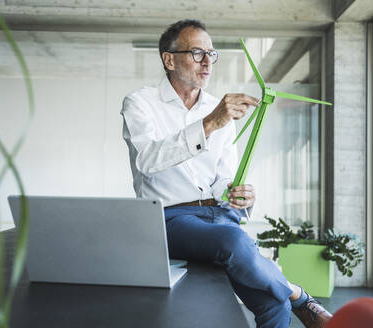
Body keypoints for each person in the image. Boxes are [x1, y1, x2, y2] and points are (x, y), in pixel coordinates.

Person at [121, 19, 332, 328]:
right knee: (234, 240)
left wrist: (238, 193)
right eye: (197, 53)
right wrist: (209, 124)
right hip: (169, 220)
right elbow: (147, 160)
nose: (207, 62)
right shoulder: (140, 103)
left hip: (219, 218)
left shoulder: (219, 109)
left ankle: (287, 299)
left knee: (273, 304)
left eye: (211, 53)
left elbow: (223, 179)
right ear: (169, 59)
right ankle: (299, 296)